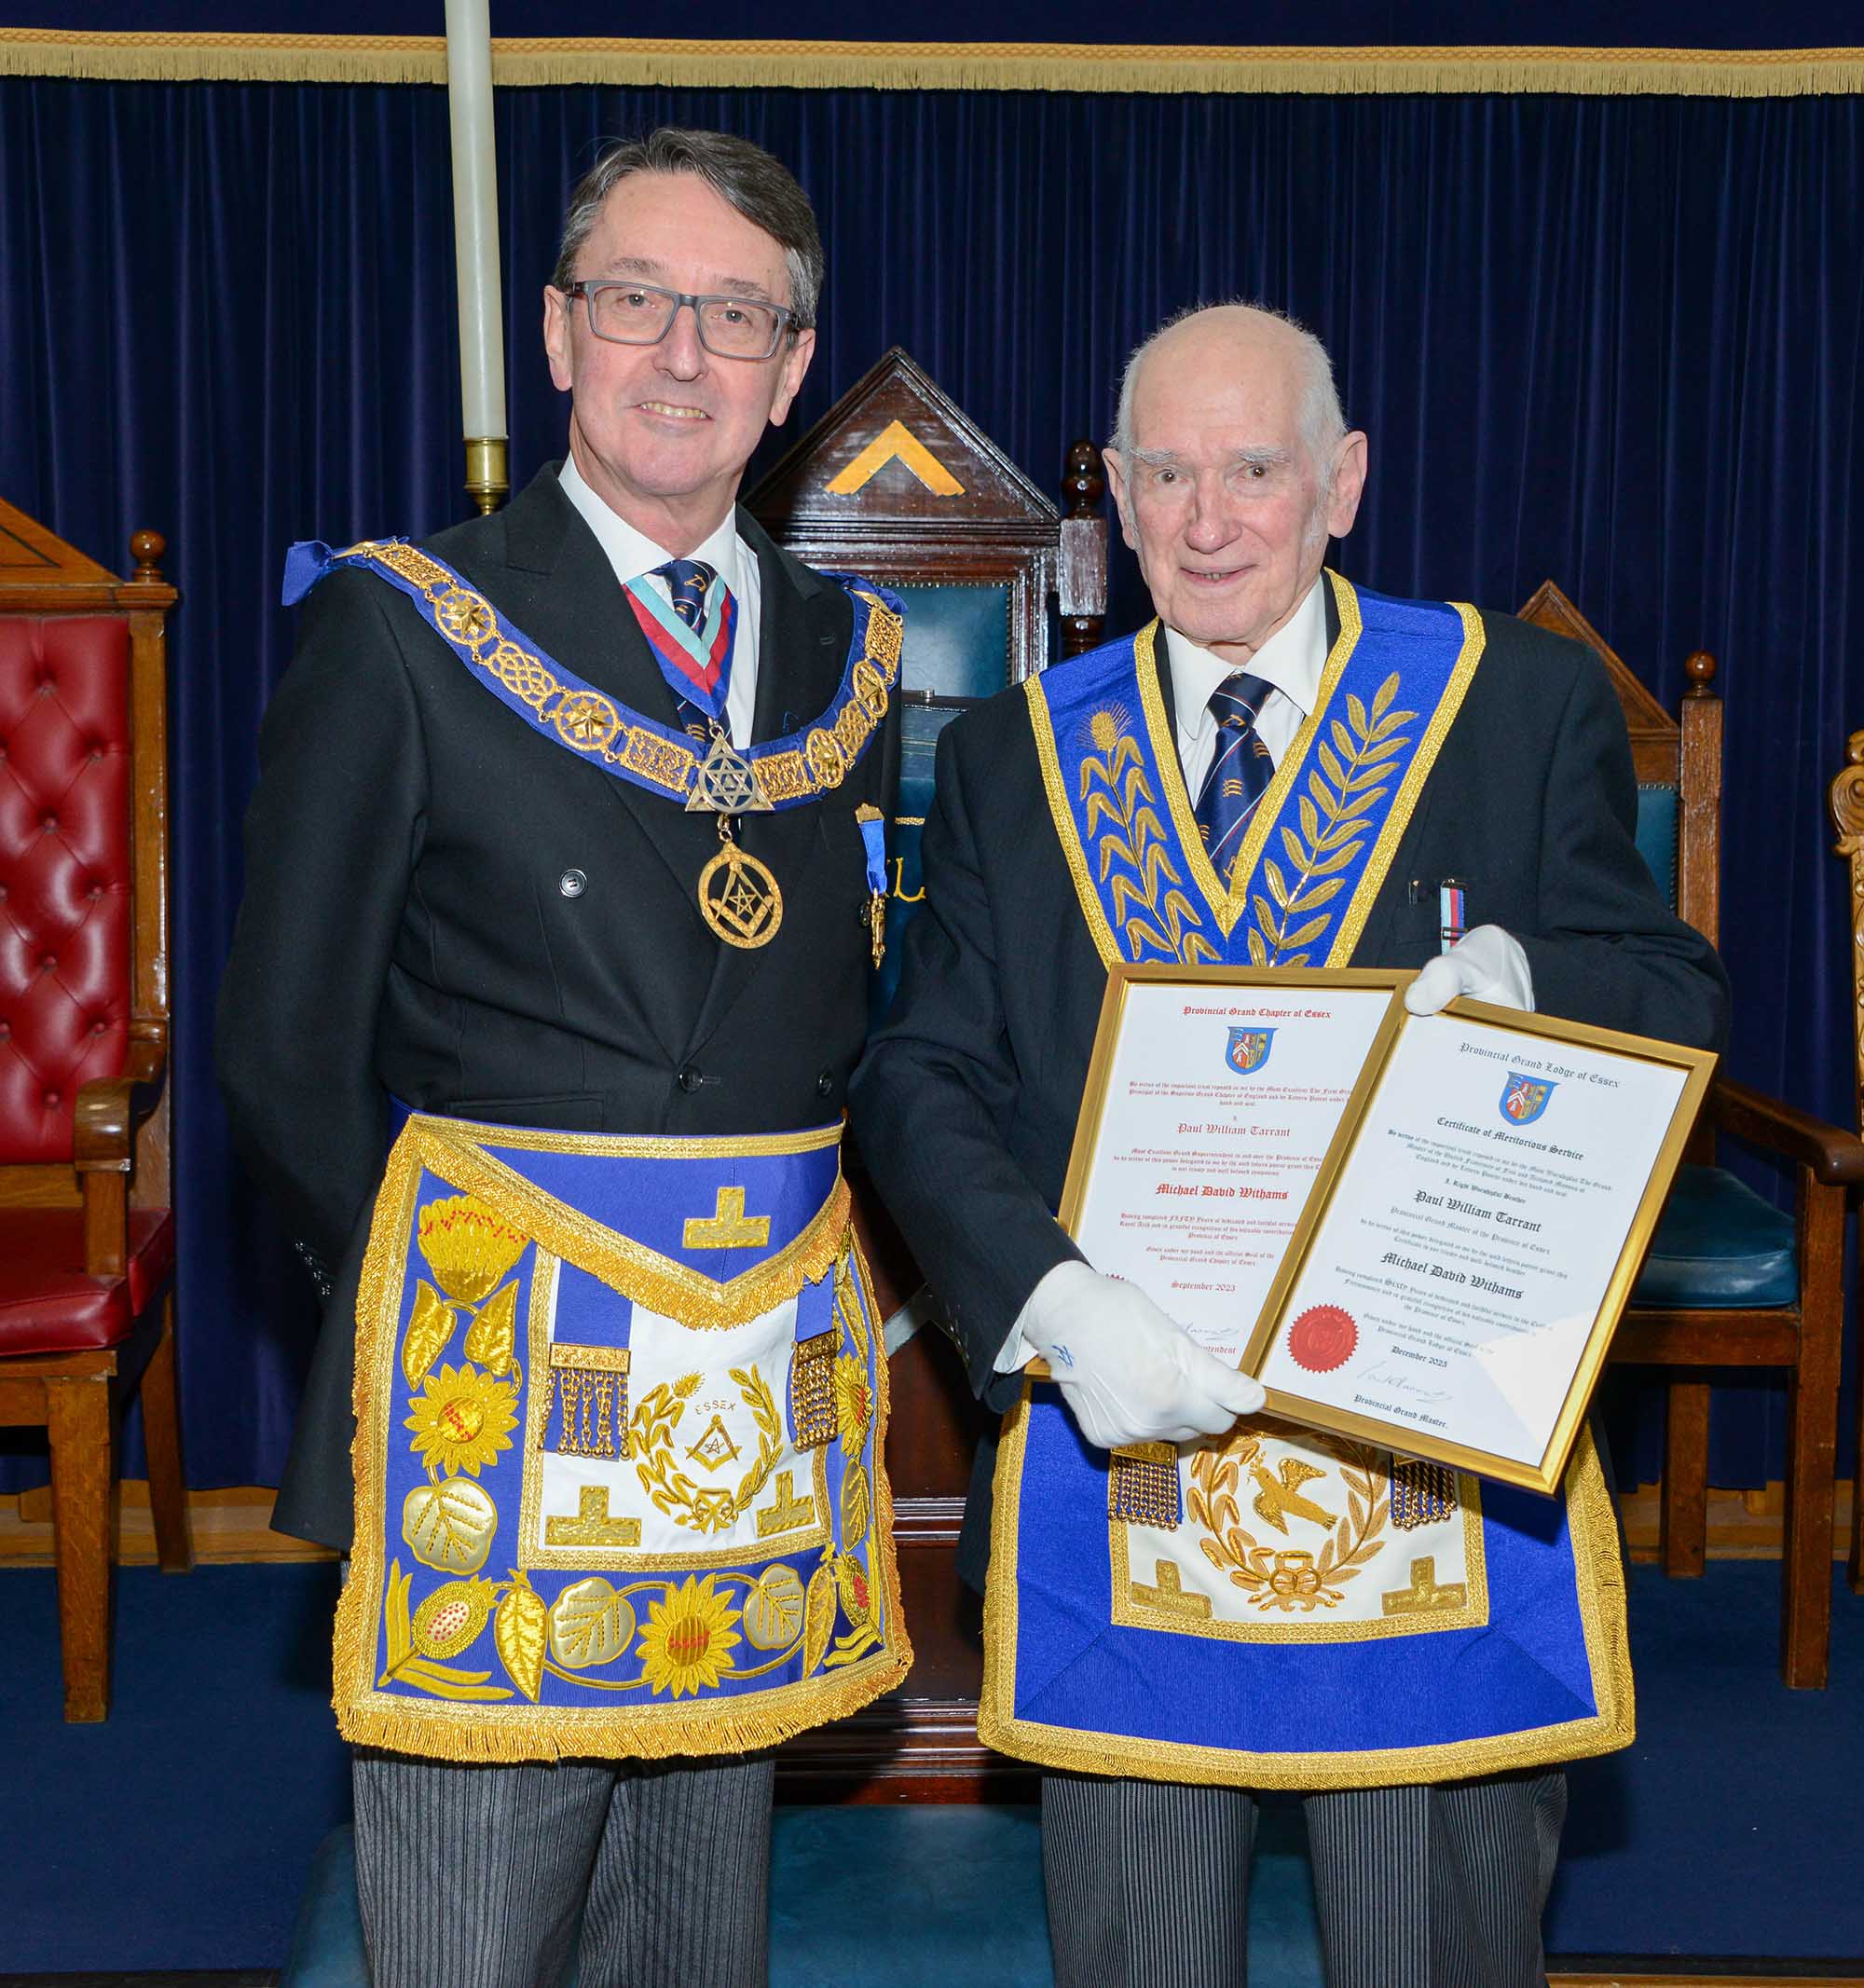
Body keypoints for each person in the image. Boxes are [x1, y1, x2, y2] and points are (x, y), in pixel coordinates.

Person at [850, 302, 1728, 1988]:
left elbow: (1679, 999)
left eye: (1253, 469)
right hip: (1125, 1478)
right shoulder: (1014, 760)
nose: (1205, 519)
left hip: (1439, 1497)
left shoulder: (1507, 701)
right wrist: (1045, 1297)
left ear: (1344, 480)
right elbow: (918, 1077)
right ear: (1108, 492)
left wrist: (1531, 978)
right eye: (1162, 472)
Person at [218, 130, 909, 1988]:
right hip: (504, 1405)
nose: (680, 354)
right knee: (471, 1944)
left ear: (788, 367)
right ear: (556, 333)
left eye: (733, 316)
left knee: (696, 1934)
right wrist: (422, 1328)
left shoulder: (854, 650)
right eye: (635, 301)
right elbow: (281, 1045)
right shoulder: (408, 625)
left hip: (746, 1408)